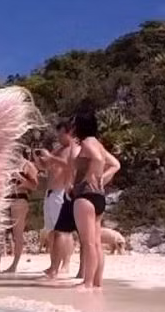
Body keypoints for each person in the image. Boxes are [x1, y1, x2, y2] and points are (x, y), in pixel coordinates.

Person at [67, 111, 120, 290]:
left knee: (88, 242)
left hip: (85, 196)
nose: (72, 127)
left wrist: (89, 175)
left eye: (74, 124)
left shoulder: (86, 143)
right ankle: (97, 281)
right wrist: (101, 178)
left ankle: (87, 282)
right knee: (96, 242)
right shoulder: (98, 143)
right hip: (98, 196)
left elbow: (96, 159)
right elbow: (115, 164)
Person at [33, 120, 80, 279]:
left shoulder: (73, 149)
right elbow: (46, 166)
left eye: (61, 134)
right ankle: (54, 263)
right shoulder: (59, 149)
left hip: (61, 191)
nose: (59, 137)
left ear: (69, 133)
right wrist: (38, 158)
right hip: (51, 192)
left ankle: (65, 264)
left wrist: (51, 157)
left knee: (64, 231)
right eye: (58, 134)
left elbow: (70, 165)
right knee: (52, 231)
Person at [0, 155, 38, 273]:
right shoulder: (5, 164)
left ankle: (14, 265)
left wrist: (20, 178)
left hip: (19, 198)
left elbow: (34, 186)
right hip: (5, 198)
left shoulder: (27, 165)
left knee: (17, 233)